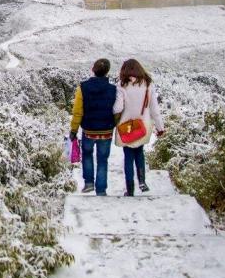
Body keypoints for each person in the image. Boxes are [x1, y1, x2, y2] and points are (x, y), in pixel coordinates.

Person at [113, 59, 165, 197]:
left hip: (127, 126)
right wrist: (160, 127)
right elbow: (155, 109)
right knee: (139, 153)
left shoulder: (122, 85)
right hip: (143, 125)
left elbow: (118, 107)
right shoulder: (148, 84)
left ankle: (130, 189)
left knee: (128, 156)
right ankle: (142, 181)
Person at [69, 58, 116, 196]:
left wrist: (73, 129)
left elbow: (78, 110)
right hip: (106, 129)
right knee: (102, 159)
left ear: (93, 70)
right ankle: (101, 189)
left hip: (89, 129)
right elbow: (117, 109)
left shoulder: (82, 87)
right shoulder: (113, 89)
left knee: (87, 155)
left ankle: (89, 183)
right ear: (107, 71)